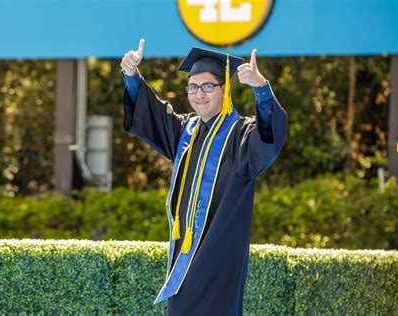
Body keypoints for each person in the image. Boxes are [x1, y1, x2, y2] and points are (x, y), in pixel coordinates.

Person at [120, 39, 288, 316]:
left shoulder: (240, 135)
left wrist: (261, 89)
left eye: (208, 86)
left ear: (224, 89)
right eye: (193, 87)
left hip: (219, 261)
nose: (199, 94)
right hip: (184, 260)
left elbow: (269, 139)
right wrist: (132, 76)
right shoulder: (186, 131)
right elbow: (152, 114)